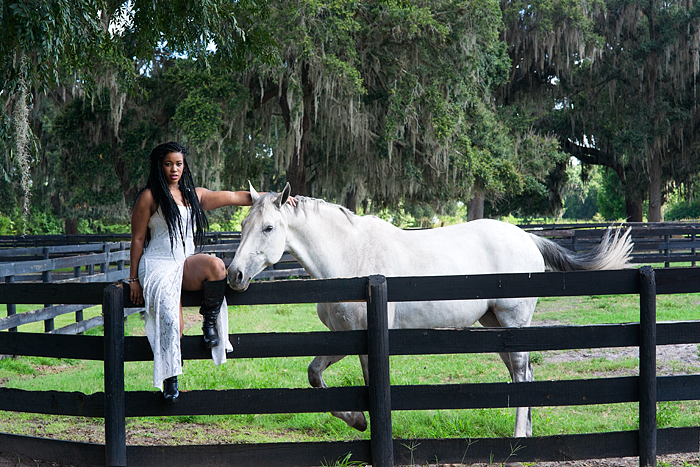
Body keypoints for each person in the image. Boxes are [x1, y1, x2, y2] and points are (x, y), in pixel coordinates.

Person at [128, 141, 295, 402]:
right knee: (174, 324)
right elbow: (137, 240)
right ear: (160, 166)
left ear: (185, 166)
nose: (174, 169)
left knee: (217, 266)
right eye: (169, 163)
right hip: (158, 264)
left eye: (179, 164)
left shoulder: (194, 195)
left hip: (183, 262)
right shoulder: (149, 197)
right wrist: (134, 279)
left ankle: (209, 323)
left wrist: (275, 198)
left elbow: (235, 196)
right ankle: (170, 376)